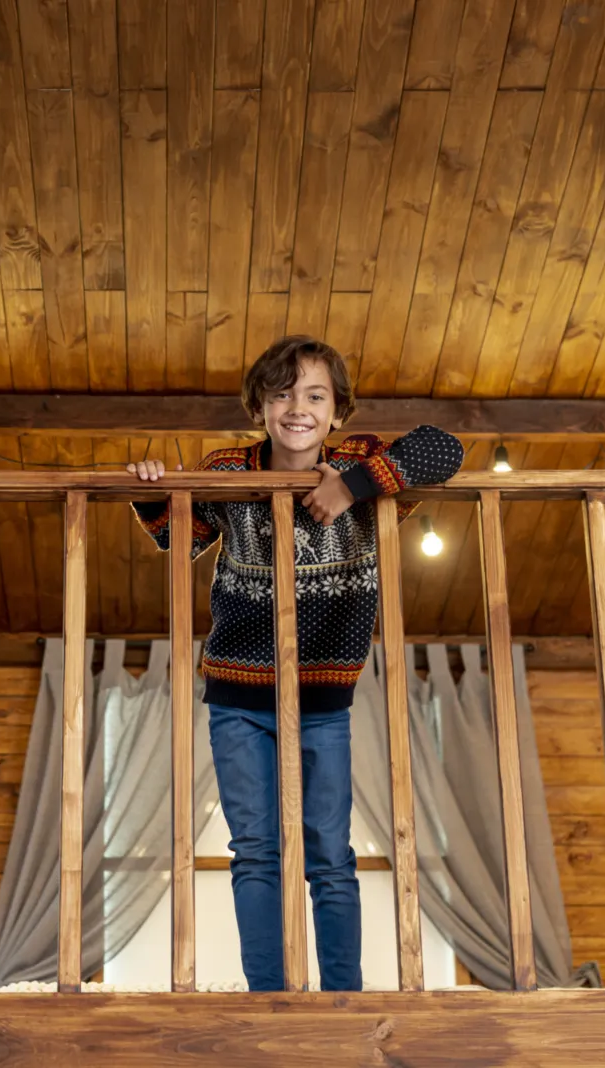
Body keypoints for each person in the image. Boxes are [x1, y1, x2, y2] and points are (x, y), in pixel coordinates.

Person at [127, 335, 464, 991]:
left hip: (323, 698)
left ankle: (342, 998)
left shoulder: (364, 461)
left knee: (329, 853)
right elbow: (178, 538)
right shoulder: (230, 470)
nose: (297, 409)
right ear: (260, 407)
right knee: (254, 851)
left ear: (337, 411)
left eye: (314, 396)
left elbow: (444, 450)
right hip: (236, 692)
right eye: (281, 395)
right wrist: (153, 491)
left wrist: (353, 489)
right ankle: (270, 997)